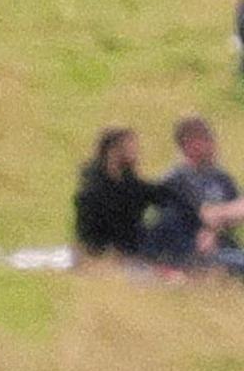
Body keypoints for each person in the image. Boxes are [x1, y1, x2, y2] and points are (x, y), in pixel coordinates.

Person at [144, 116, 244, 272]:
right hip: (189, 253)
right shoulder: (175, 180)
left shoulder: (221, 177)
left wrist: (215, 227)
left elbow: (230, 220)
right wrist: (226, 214)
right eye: (205, 139)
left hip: (222, 247)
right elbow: (207, 215)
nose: (213, 145)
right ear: (188, 144)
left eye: (211, 138)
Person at [76, 128, 161, 260]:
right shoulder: (92, 190)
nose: (137, 152)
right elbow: (90, 235)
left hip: (130, 249)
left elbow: (159, 196)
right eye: (131, 147)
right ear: (114, 151)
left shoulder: (130, 181)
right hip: (104, 253)